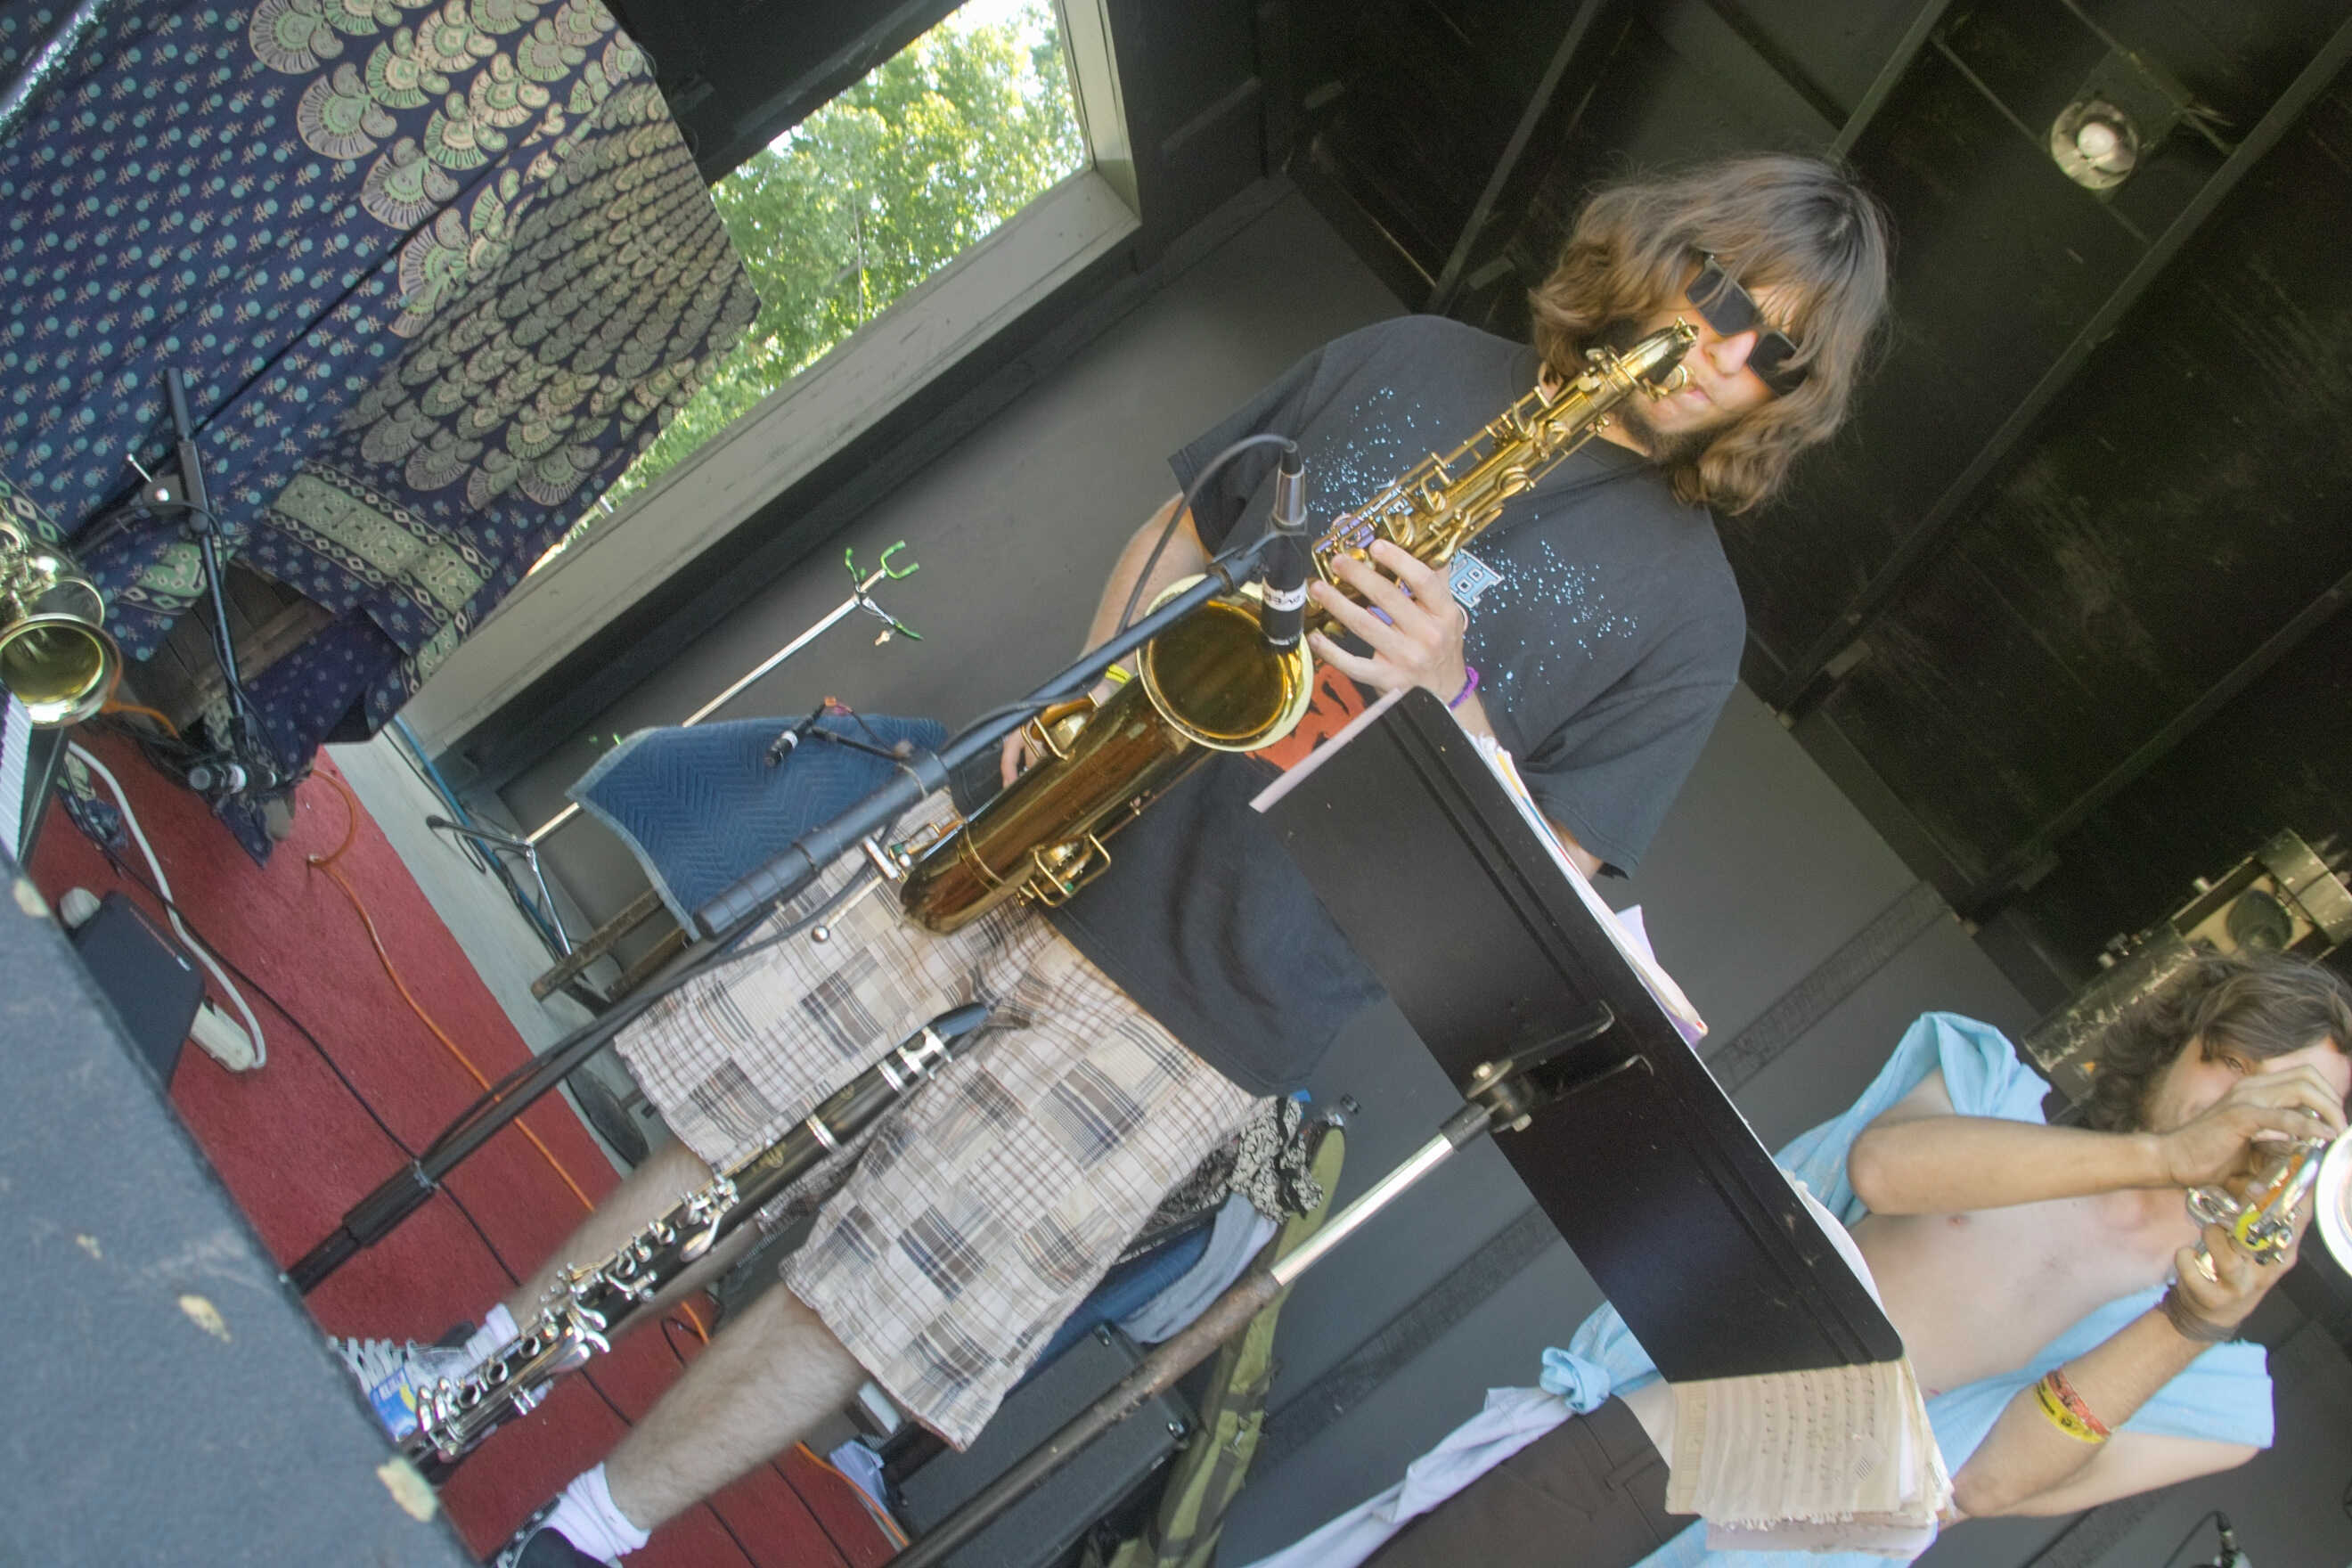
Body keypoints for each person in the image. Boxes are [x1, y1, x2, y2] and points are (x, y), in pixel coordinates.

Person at [331, 153, 1894, 1566]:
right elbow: (1187, 529)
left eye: (1778, 354)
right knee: (729, 1120)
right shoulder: (1419, 357)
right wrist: (1077, 703)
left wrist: (1454, 699)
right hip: (1028, 814)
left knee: (876, 1296)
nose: (1728, 352)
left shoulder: (1694, 619)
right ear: (1663, 252)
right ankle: (466, 1379)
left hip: (1211, 1003)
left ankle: (585, 1537)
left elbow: (1557, 870)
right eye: (1722, 297)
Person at [1244, 950, 2352, 1568]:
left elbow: (1986, 1485)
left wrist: (2192, 1319)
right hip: (1664, 1447)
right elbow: (1888, 1169)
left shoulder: (2214, 1387)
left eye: (2296, 1112)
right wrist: (2163, 1157)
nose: (2248, 1112)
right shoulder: (1994, 1089)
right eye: (2236, 1067)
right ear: (2183, 1046)